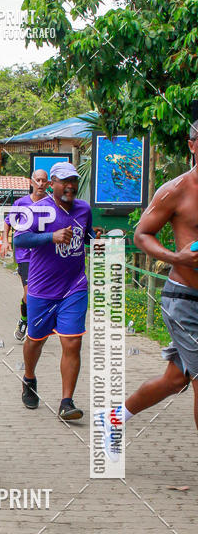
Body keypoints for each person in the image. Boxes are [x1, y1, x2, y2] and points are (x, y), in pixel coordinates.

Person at [99, 121, 198, 458]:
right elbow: (142, 235)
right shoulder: (176, 190)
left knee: (175, 379)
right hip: (185, 299)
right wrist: (177, 257)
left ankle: (113, 417)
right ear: (192, 146)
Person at [14, 162, 94, 421]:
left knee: (72, 341)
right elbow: (20, 239)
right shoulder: (37, 210)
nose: (70, 185)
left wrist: (100, 238)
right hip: (42, 288)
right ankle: (29, 378)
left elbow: (88, 236)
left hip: (75, 286)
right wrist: (51, 237)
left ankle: (66, 402)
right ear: (52, 185)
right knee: (36, 340)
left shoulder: (84, 208)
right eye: (63, 181)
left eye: (73, 180)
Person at [1, 169, 49, 340]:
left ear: (48, 183)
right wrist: (5, 241)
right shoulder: (21, 203)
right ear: (31, 182)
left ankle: (39, 323)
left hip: (45, 254)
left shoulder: (52, 203)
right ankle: (24, 320)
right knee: (29, 291)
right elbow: (8, 223)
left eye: (44, 181)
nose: (41, 184)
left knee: (42, 292)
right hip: (25, 255)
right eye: (38, 180)